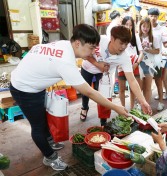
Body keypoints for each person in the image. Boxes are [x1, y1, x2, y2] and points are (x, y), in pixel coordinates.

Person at [9, 24, 128, 171]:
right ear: (78, 43)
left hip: (34, 84)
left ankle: (49, 141)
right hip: (24, 88)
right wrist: (116, 107)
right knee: (37, 126)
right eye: (91, 48)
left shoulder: (65, 44)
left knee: (42, 117)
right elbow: (90, 92)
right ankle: (49, 157)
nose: (93, 52)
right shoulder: (65, 60)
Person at [84, 25, 152, 126]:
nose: (123, 47)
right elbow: (84, 53)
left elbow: (132, 80)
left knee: (105, 98)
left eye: (126, 44)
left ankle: (103, 123)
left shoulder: (124, 57)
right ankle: (84, 107)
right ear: (112, 38)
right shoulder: (100, 40)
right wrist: (98, 64)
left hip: (105, 76)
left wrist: (143, 102)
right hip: (88, 68)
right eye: (121, 43)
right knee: (86, 92)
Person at [147, 8, 167, 111]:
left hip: (157, 59)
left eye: (155, 16)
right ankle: (145, 104)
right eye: (151, 16)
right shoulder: (145, 27)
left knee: (158, 81)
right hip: (146, 60)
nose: (153, 18)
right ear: (148, 16)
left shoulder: (161, 29)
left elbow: (165, 44)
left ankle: (161, 102)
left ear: (158, 17)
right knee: (146, 83)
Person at [118, 16, 144, 110]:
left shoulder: (135, 36)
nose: (128, 27)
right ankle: (123, 109)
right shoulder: (119, 37)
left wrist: (136, 63)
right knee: (121, 89)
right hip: (121, 66)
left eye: (130, 25)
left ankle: (132, 109)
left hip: (134, 65)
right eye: (126, 24)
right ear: (123, 24)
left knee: (134, 89)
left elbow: (141, 52)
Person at [137, 17, 160, 106]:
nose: (145, 29)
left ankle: (146, 107)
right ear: (140, 26)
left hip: (150, 64)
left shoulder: (153, 38)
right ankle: (140, 105)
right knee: (140, 87)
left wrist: (149, 50)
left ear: (150, 27)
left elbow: (157, 51)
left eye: (147, 27)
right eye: (144, 26)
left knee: (148, 87)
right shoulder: (137, 37)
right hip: (139, 63)